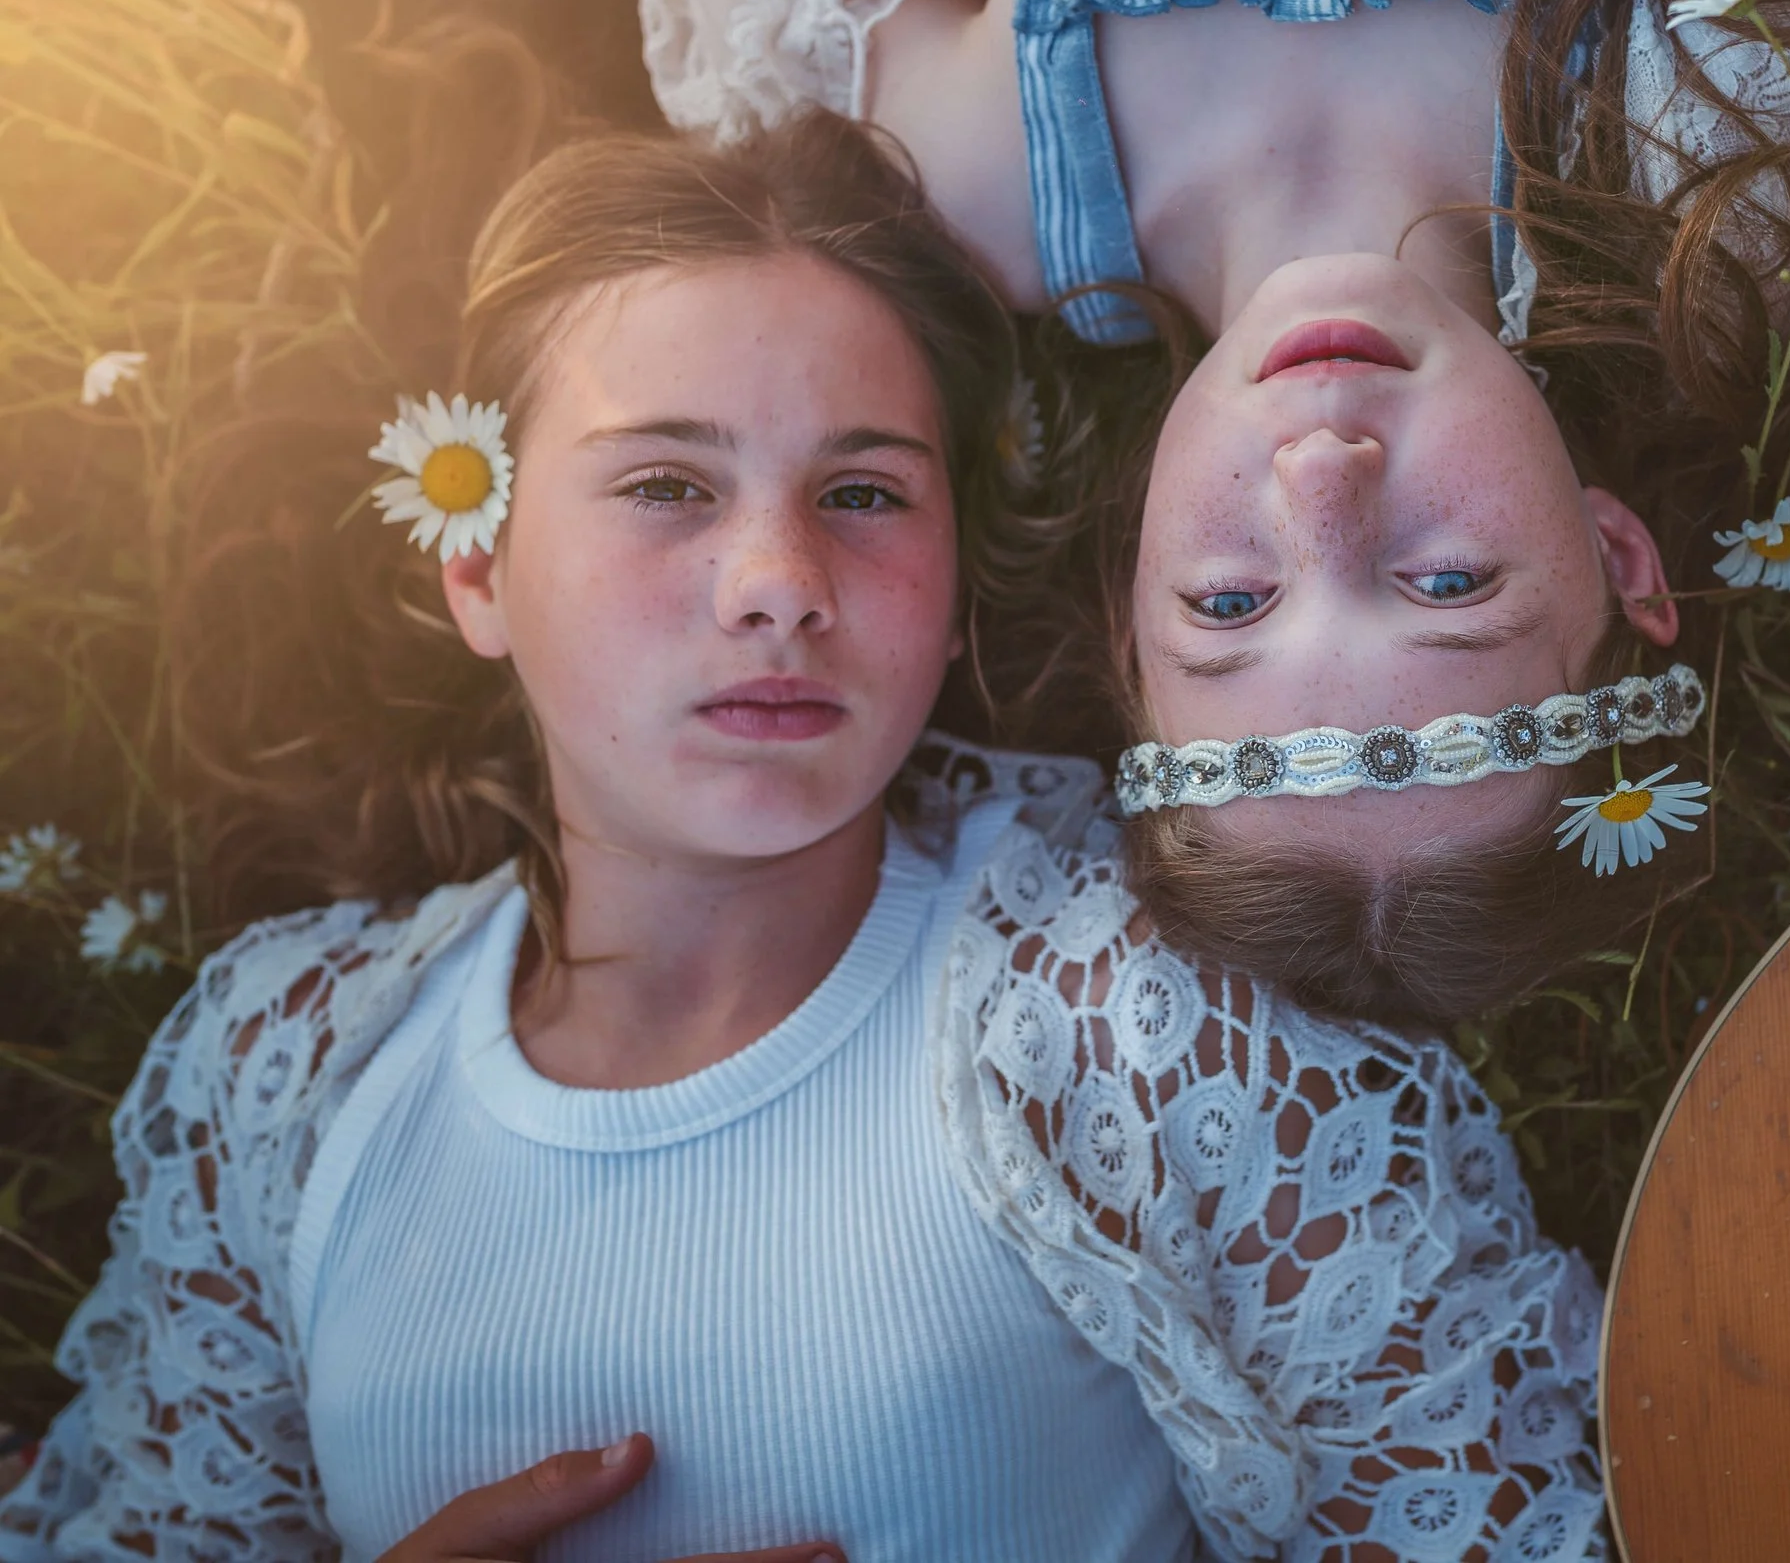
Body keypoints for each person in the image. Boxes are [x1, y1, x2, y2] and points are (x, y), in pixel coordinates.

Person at [0, 114, 1609, 1561]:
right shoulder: (282, 1080)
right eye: (664, 487)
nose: (778, 578)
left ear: (956, 573)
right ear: (475, 571)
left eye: (862, 495)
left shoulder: (1156, 1029)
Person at [623, 0, 1790, 1020]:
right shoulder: (1707, 199)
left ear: (1138, 609)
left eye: (1234, 601)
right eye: (1449, 586)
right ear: (1617, 553)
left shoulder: (929, 169)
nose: (1325, 478)